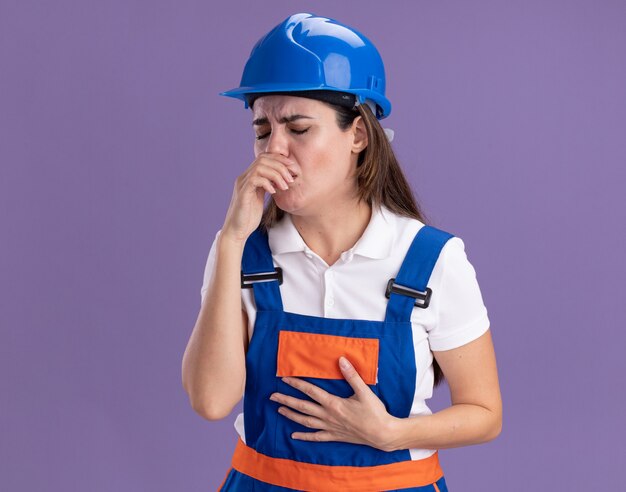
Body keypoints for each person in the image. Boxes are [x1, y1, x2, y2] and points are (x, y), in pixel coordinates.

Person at [182, 12, 502, 492]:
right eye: (262, 130)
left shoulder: (431, 261)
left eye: (299, 128)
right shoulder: (244, 254)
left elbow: (485, 413)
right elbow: (210, 400)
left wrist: (392, 433)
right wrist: (230, 240)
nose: (276, 150)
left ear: (359, 135)